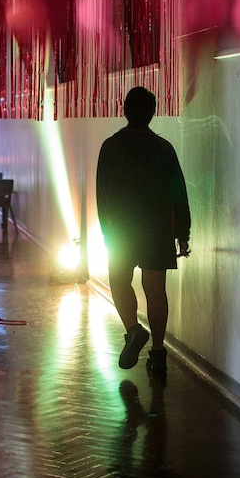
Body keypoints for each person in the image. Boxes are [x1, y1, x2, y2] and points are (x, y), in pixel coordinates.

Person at [96, 86, 191, 375]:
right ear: (152, 113)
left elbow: (103, 194)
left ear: (125, 110)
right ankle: (159, 353)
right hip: (157, 228)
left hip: (123, 228)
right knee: (155, 290)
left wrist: (106, 231)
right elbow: (179, 194)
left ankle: (133, 330)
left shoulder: (111, 146)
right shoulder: (164, 149)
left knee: (120, 281)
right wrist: (182, 234)